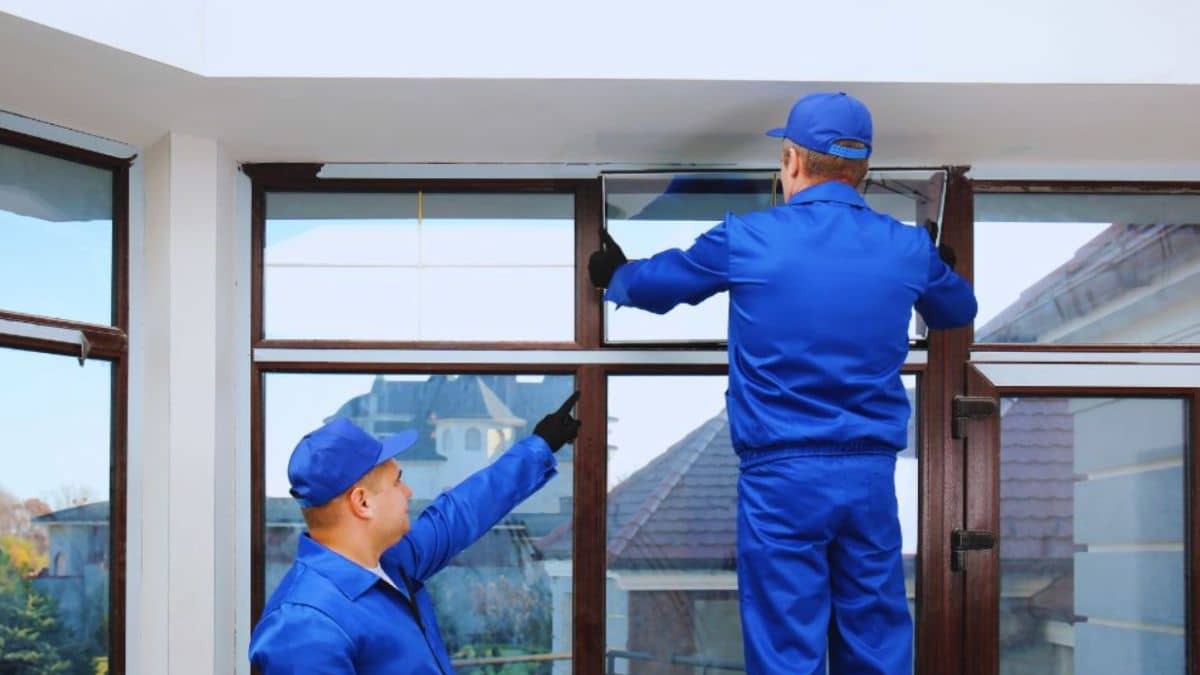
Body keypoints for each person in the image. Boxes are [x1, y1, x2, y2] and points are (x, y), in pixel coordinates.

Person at [588, 92, 977, 674]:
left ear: (792, 160)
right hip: (868, 477)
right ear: (862, 171)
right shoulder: (905, 247)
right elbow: (957, 309)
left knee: (785, 643)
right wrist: (932, 260)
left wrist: (613, 275)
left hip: (783, 479)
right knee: (875, 637)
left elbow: (656, 287)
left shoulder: (749, 238)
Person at [248, 392, 582, 674]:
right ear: (362, 502)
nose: (407, 491)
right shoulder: (303, 624)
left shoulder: (391, 563)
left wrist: (540, 446)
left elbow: (460, 512)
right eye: (396, 481)